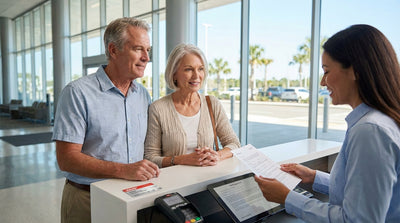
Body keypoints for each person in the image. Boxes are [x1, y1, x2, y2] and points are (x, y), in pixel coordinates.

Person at [255, 24, 400, 222]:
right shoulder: (379, 121)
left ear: (355, 71)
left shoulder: (370, 131)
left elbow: (357, 219)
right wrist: (314, 177)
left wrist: (288, 198)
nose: (323, 82)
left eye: (326, 71)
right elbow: (366, 194)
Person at [52, 17, 160, 223]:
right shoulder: (77, 93)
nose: (146, 57)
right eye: (138, 49)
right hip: (87, 198)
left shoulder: (142, 95)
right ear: (113, 50)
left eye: (148, 50)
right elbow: (66, 159)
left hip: (133, 196)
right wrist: (123, 170)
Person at [144, 43, 240, 168]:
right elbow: (150, 157)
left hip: (208, 181)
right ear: (174, 74)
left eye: (200, 69)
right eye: (188, 69)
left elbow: (234, 144)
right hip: (175, 183)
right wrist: (181, 159)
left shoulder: (212, 103)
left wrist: (217, 155)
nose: (196, 76)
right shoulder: (158, 108)